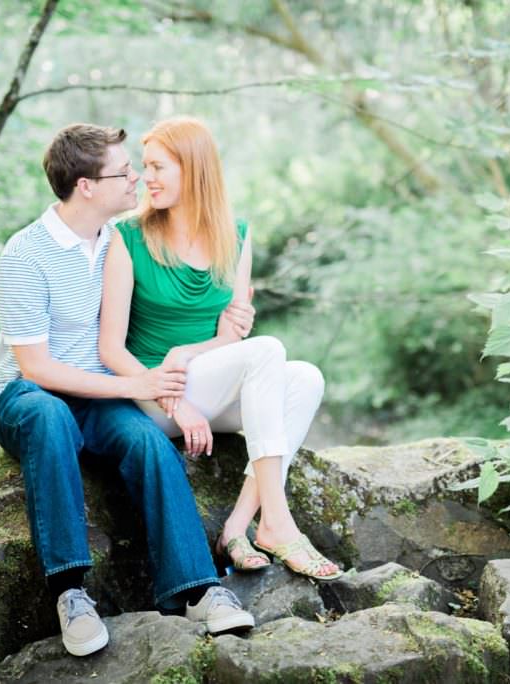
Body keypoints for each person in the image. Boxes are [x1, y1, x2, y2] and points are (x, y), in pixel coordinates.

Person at [0, 123, 255, 658]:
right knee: (49, 417)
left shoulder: (118, 240)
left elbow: (186, 279)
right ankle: (70, 592)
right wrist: (138, 383)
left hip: (99, 395)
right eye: (124, 171)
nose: (136, 178)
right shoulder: (25, 254)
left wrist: (227, 324)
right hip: (27, 397)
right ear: (86, 185)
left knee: (149, 440)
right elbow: (35, 368)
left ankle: (197, 588)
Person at [99, 116, 341, 581]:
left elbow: (233, 337)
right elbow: (110, 349)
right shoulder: (127, 237)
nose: (145, 178)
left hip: (208, 387)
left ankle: (237, 526)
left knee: (307, 377)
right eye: (145, 167)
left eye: (157, 167)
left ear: (194, 169)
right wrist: (172, 399)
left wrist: (197, 349)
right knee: (268, 349)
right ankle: (277, 522)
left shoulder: (237, 234)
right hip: (157, 398)